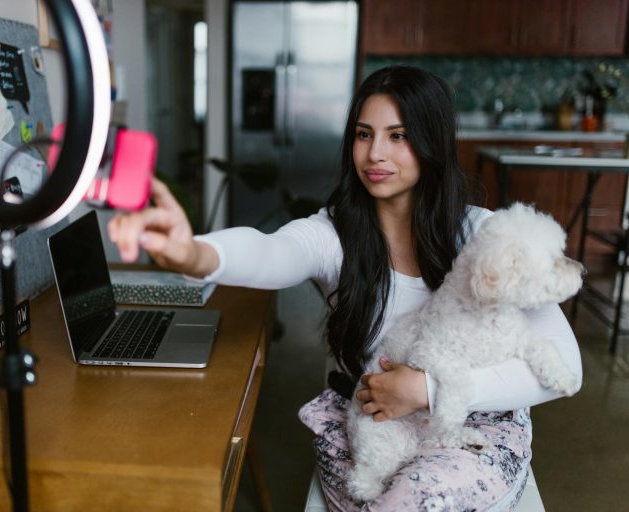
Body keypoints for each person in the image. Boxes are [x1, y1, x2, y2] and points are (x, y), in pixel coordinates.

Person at [108, 66, 582, 511]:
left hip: (478, 424)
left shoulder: (487, 235)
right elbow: (270, 251)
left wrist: (427, 390)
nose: (375, 154)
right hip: (376, 419)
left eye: (398, 136)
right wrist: (193, 253)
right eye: (363, 134)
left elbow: (565, 366)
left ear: (432, 144)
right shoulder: (334, 235)